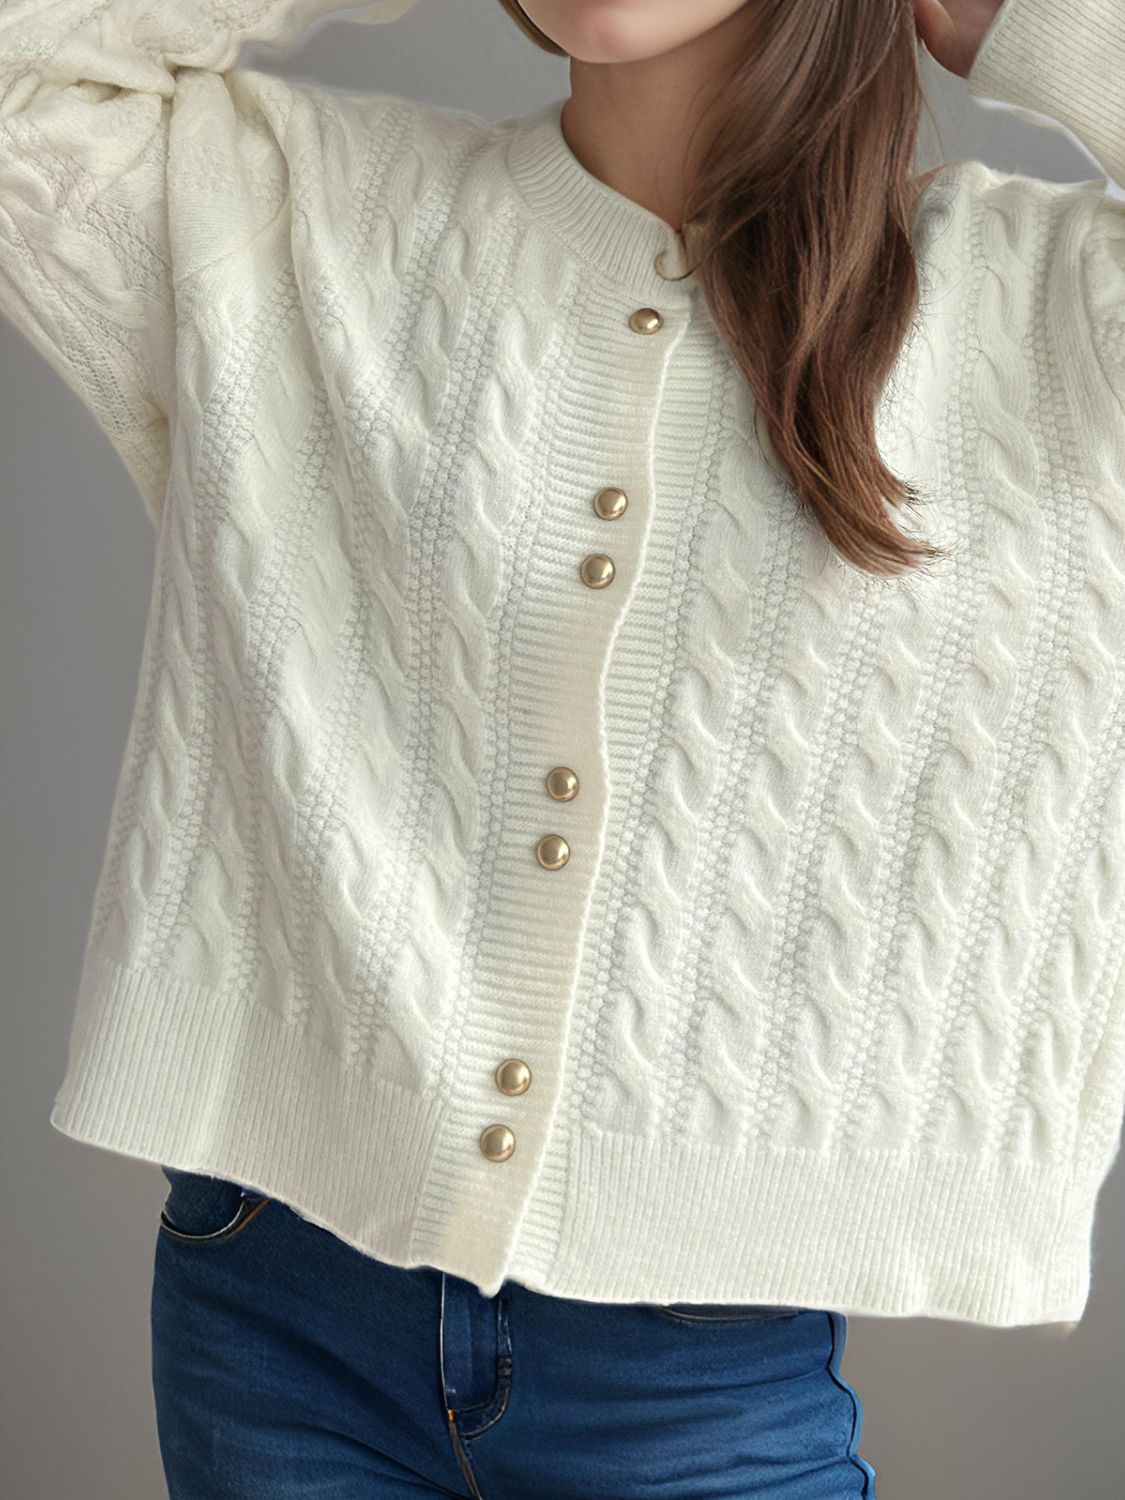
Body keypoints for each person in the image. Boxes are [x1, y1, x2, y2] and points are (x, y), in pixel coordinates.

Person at [2, 0, 1122, 1493]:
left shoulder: (1052, 312)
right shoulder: (287, 213)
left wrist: (1034, 20)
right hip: (273, 1307)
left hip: (697, 1372)